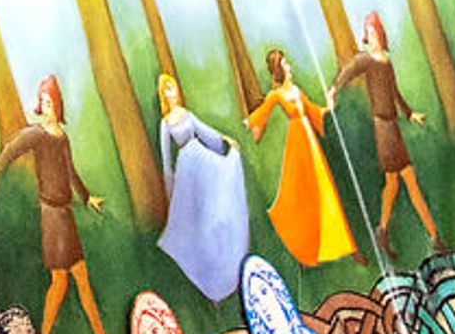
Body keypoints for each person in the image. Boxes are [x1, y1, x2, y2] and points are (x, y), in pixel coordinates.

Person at [0, 77, 112, 334]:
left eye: (52, 101)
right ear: (41, 105)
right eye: (45, 101)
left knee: (77, 280)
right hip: (50, 215)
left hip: (65, 213)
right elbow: (12, 148)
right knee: (63, 281)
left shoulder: (61, 136)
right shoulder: (37, 135)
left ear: (58, 104)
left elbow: (70, 171)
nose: (48, 106)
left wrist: (87, 196)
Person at [323, 15, 434, 252]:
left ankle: (382, 230)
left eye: (374, 33)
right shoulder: (367, 60)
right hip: (382, 129)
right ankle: (435, 238)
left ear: (380, 35)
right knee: (408, 182)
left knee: (392, 185)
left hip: (393, 125)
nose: (371, 38)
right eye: (368, 34)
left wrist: (409, 113)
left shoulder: (386, 62)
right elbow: (349, 70)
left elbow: (394, 92)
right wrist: (333, 89)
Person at [241, 49, 354, 271]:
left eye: (288, 63)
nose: (289, 67)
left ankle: (334, 243)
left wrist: (328, 105)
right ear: (279, 69)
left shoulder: (296, 90)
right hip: (298, 143)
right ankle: (305, 244)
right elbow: (260, 116)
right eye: (285, 64)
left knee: (323, 187)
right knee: (301, 191)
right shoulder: (277, 95)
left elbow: (313, 111)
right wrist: (248, 125)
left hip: (309, 139)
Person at [149, 71, 248, 301]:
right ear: (163, 96)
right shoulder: (165, 123)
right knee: (196, 217)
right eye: (166, 91)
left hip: (201, 159)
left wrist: (224, 139)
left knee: (215, 207)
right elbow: (165, 157)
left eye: (172, 88)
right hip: (187, 165)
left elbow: (205, 132)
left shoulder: (186, 113)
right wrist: (170, 186)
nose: (170, 93)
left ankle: (224, 256)